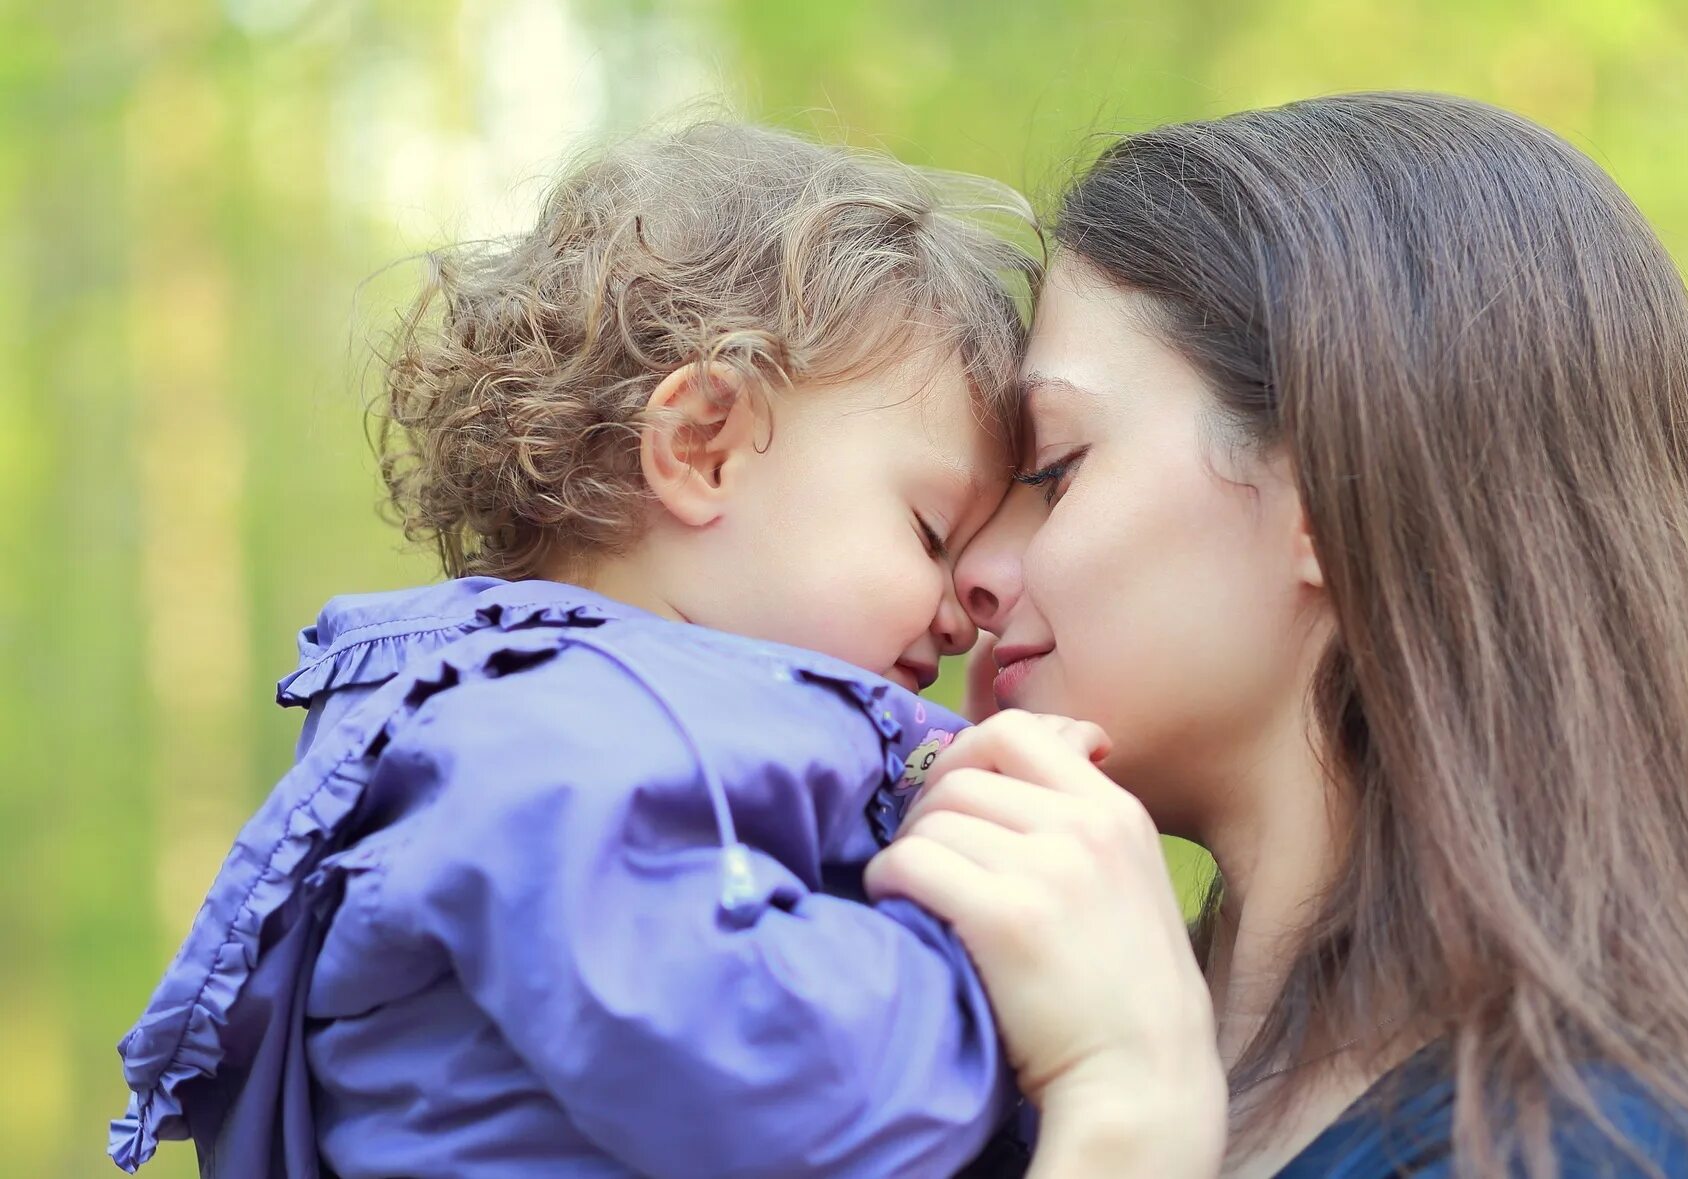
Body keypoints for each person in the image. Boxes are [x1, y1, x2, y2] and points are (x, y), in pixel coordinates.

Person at [871, 92, 1688, 1178]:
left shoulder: (1590, 1152)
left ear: (1326, 499)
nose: (970, 571)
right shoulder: (1005, 1050)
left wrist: (1125, 1117)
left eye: (1057, 469)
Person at [108, 121, 1095, 1178]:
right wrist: (1054, 989)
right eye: (931, 535)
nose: (964, 616)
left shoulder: (591, 728)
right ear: (703, 448)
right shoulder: (548, 742)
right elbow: (790, 1082)